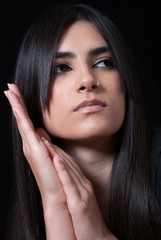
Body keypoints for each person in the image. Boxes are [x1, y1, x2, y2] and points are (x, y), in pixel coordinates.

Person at [4, 3, 161, 240]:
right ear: (31, 95)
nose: (88, 80)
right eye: (62, 68)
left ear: (126, 84)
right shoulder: (29, 203)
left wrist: (99, 236)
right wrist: (56, 205)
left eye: (104, 63)